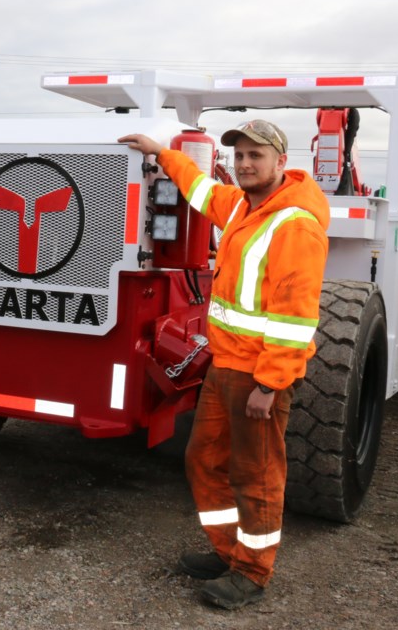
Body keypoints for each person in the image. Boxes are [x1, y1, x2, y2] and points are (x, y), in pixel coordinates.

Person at [118, 120, 329, 610]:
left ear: (281, 161)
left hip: (258, 376)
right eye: (239, 156)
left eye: (256, 155)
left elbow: (295, 318)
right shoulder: (239, 204)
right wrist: (160, 151)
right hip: (225, 366)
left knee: (256, 474)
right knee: (204, 459)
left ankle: (252, 572)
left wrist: (270, 384)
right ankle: (229, 551)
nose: (245, 164)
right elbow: (198, 188)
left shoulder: (294, 223)